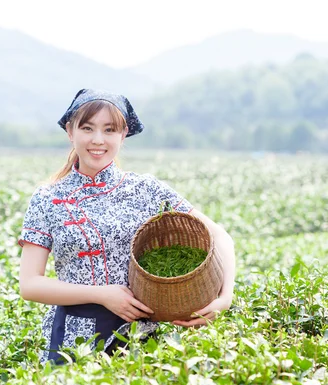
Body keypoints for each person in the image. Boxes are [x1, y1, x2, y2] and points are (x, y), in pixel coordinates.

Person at [18, 89, 236, 364]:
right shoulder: (48, 198)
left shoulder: (147, 189)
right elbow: (30, 284)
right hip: (74, 341)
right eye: (88, 128)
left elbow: (220, 236)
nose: (98, 140)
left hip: (141, 337)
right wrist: (103, 295)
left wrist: (224, 299)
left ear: (123, 135)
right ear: (70, 132)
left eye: (109, 130)